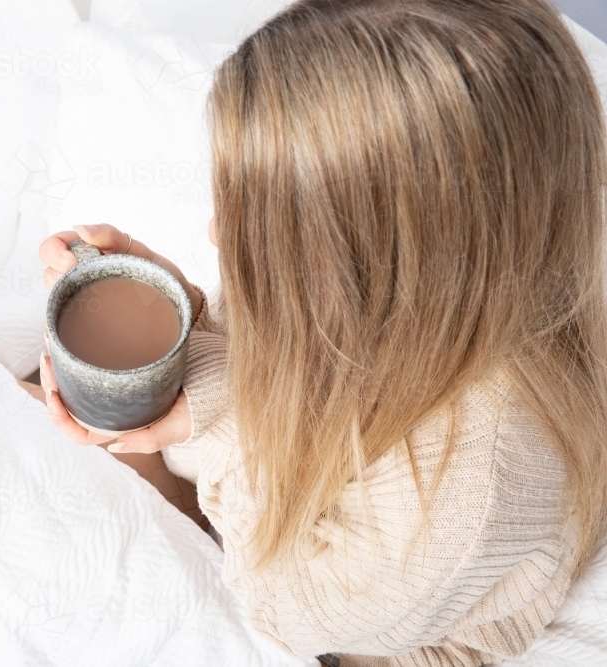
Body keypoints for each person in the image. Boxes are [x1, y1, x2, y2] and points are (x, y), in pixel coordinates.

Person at [34, 0, 607, 664]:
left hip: (360, 626)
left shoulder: (469, 489)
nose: (218, 235)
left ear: (388, 257)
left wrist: (212, 409)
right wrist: (189, 318)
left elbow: (292, 612)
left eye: (264, 222)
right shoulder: (408, 288)